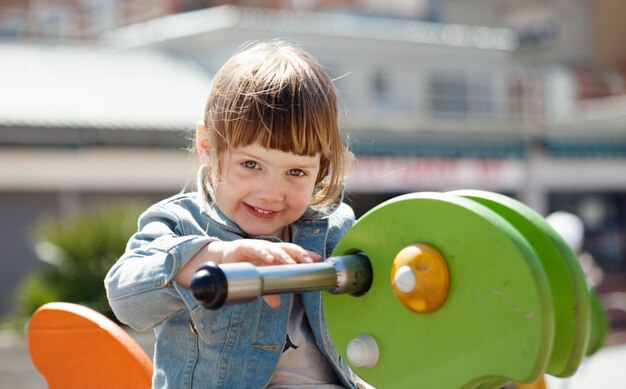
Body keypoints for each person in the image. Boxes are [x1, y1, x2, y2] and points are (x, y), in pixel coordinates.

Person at [104, 40, 368, 388]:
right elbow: (125, 297)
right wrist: (209, 258)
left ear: (321, 169)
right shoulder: (180, 223)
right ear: (207, 148)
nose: (271, 193)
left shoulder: (336, 230)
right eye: (250, 164)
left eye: (296, 172)